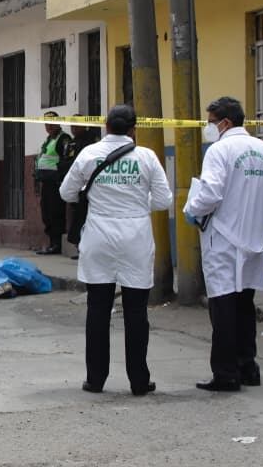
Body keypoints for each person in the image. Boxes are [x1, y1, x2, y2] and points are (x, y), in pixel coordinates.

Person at [59, 105, 171, 396]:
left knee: (98, 308)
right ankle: (138, 381)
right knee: (136, 310)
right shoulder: (146, 157)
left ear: (106, 126)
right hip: (135, 236)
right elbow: (163, 200)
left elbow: (66, 192)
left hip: (98, 236)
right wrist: (134, 205)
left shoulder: (88, 154)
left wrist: (98, 200)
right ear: (133, 129)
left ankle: (95, 379)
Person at [184, 96, 263, 392]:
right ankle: (247, 366)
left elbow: (211, 193)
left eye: (211, 122)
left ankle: (226, 373)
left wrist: (191, 209)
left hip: (224, 239)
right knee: (244, 304)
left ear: (225, 123)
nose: (208, 127)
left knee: (223, 306)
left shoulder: (219, 150)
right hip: (254, 239)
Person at [35, 112, 72, 255]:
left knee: (56, 213)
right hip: (47, 182)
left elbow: (66, 160)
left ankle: (56, 244)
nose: (49, 126)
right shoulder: (49, 139)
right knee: (46, 212)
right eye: (46, 124)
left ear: (58, 123)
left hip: (56, 182)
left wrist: (58, 174)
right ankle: (51, 242)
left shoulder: (64, 139)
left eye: (51, 123)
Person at [63, 117, 100, 257]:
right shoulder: (72, 142)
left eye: (76, 126)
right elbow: (67, 160)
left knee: (85, 218)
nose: (73, 129)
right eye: (72, 126)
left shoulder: (91, 141)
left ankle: (85, 248)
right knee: (77, 217)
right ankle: (79, 247)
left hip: (88, 186)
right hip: (75, 184)